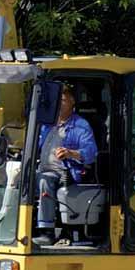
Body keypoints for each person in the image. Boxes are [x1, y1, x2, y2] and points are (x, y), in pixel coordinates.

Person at [33, 84, 98, 246]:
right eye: (57, 100)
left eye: (63, 100)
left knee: (44, 180)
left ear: (72, 102)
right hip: (41, 167)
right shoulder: (47, 124)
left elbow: (91, 152)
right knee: (15, 178)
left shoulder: (80, 125)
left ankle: (46, 231)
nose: (59, 104)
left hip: (63, 171)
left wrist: (70, 153)